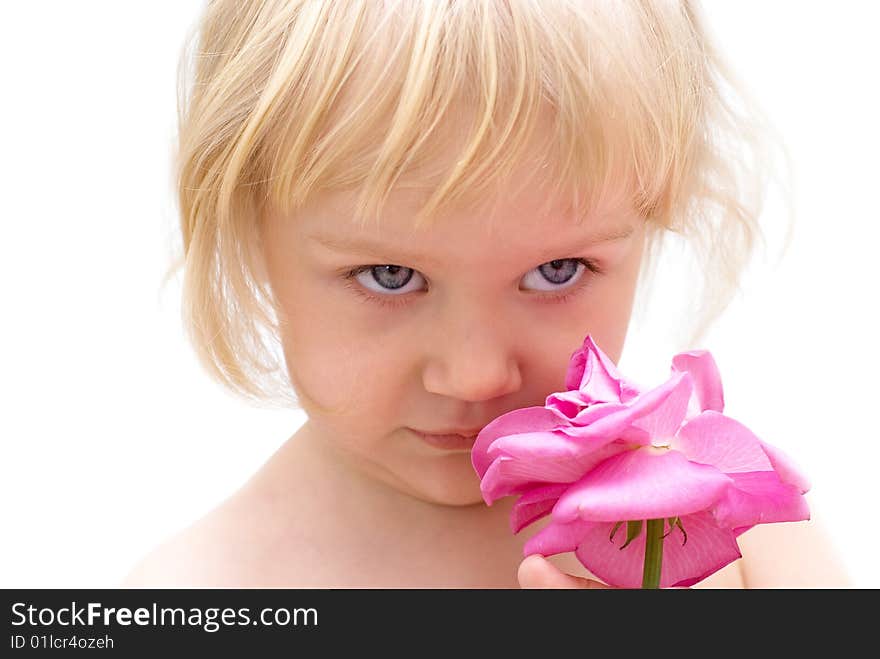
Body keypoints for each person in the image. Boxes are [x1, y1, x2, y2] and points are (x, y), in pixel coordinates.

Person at [122, 0, 849, 588]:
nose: (475, 375)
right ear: (248, 235)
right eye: (390, 276)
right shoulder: (197, 596)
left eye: (556, 271)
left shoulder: (732, 527)